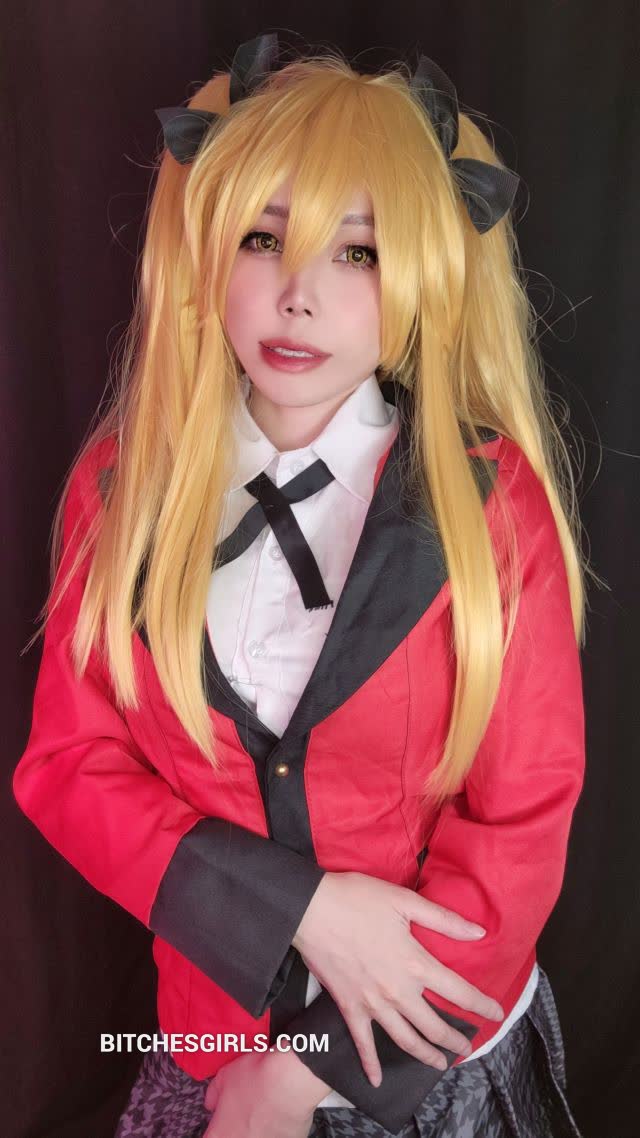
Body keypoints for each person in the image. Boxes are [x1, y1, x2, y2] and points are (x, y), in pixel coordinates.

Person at [13, 31, 592, 1138]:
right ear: (205, 246)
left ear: (421, 273)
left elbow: (519, 825)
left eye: (357, 253)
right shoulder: (121, 489)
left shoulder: (490, 502)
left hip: (424, 1052)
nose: (299, 295)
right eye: (264, 238)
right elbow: (70, 768)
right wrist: (301, 911)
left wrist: (300, 1072)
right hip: (209, 1047)